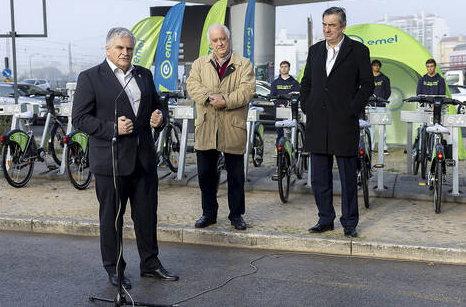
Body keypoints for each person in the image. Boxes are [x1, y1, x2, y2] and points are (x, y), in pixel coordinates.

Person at [72, 27, 178, 290]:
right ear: (108, 49)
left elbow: (157, 104)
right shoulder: (90, 77)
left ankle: (150, 264)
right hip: (111, 162)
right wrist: (111, 128)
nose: (125, 52)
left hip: (143, 160)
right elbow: (79, 119)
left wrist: (160, 117)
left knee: (146, 216)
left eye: (129, 48)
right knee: (112, 218)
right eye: (120, 48)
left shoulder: (143, 74)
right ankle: (115, 269)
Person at [300, 6, 374, 238]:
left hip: (344, 123)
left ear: (343, 26)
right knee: (319, 178)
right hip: (318, 123)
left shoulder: (358, 51)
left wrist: (352, 109)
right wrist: (307, 106)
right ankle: (325, 219)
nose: (326, 29)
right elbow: (306, 83)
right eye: (324, 24)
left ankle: (349, 222)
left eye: (331, 25)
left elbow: (367, 85)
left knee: (348, 178)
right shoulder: (314, 51)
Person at [186, 24, 255, 231]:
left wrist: (224, 100)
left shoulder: (244, 64)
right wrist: (209, 97)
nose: (219, 43)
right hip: (207, 128)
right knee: (206, 174)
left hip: (233, 128)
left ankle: (236, 215)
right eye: (215, 40)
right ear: (210, 43)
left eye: (222, 39)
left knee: (235, 176)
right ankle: (209, 213)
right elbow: (192, 85)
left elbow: (247, 91)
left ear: (229, 38)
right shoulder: (199, 64)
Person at [270, 60, 301, 142]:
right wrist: (279, 104)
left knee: (293, 132)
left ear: (289, 68)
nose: (284, 68)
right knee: (279, 132)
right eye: (282, 67)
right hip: (279, 110)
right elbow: (272, 97)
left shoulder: (295, 83)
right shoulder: (275, 83)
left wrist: (287, 105)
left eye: (285, 66)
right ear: (280, 69)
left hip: (291, 110)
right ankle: (279, 151)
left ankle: (293, 151)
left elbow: (297, 96)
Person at [371, 59, 391, 154]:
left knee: (382, 127)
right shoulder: (368, 78)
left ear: (380, 67)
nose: (376, 67)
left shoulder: (385, 78)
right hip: (370, 107)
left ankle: (383, 148)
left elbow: (388, 92)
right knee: (370, 128)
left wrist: (382, 99)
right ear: (372, 67)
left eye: (378, 65)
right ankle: (371, 148)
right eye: (374, 65)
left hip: (381, 106)